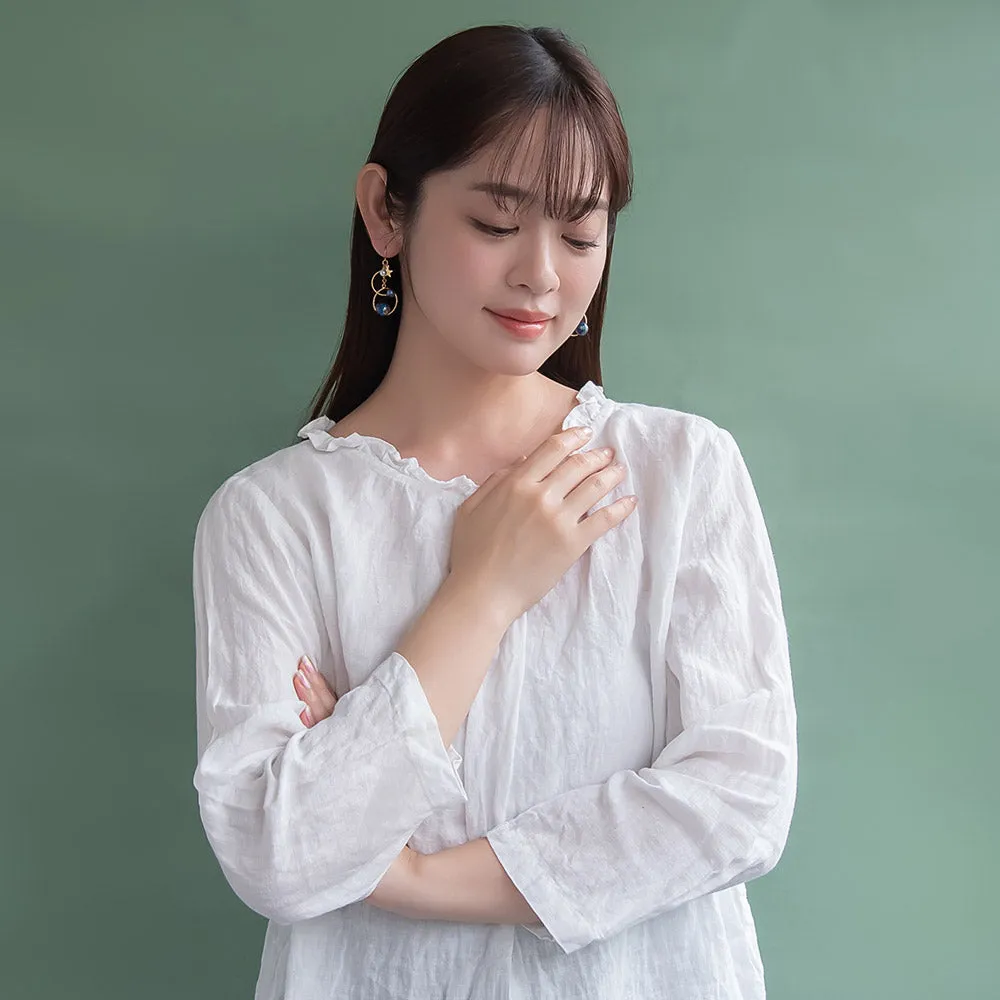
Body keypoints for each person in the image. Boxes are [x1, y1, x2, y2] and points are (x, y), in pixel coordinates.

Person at [191, 22, 798, 1000]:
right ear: (385, 212)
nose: (541, 276)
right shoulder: (272, 517)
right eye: (494, 222)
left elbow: (738, 802)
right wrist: (478, 593)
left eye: (579, 232)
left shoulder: (681, 472)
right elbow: (280, 852)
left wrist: (416, 873)